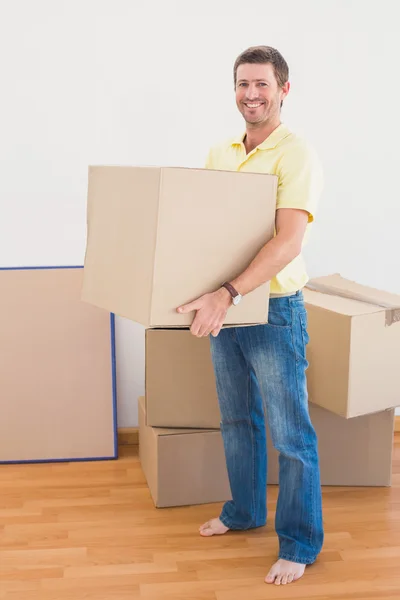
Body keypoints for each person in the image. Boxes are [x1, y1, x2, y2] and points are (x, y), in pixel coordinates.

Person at [177, 45, 324, 586]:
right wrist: (196, 289)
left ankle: (300, 543)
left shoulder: (296, 154)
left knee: (291, 435)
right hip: (225, 304)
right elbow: (205, 229)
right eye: (242, 84)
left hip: (274, 308)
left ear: (283, 89)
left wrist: (228, 293)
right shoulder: (221, 151)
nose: (251, 94)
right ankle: (244, 512)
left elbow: (287, 242)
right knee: (238, 418)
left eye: (262, 84)